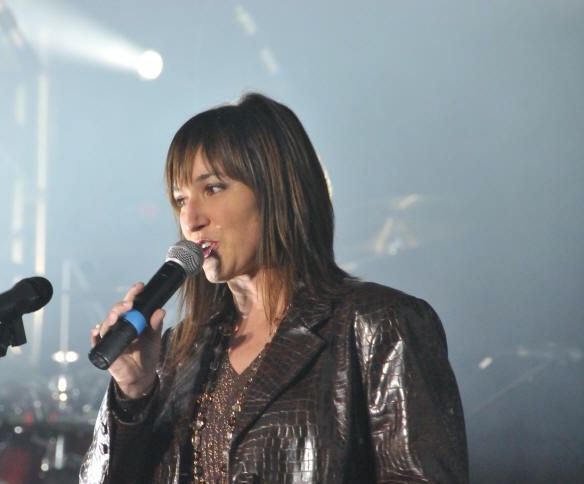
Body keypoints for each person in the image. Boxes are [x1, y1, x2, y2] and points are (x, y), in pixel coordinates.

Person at [79, 93, 468, 483]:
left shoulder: (378, 327)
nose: (191, 219)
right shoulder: (176, 354)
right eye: (181, 199)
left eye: (213, 188)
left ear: (275, 192)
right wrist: (134, 393)